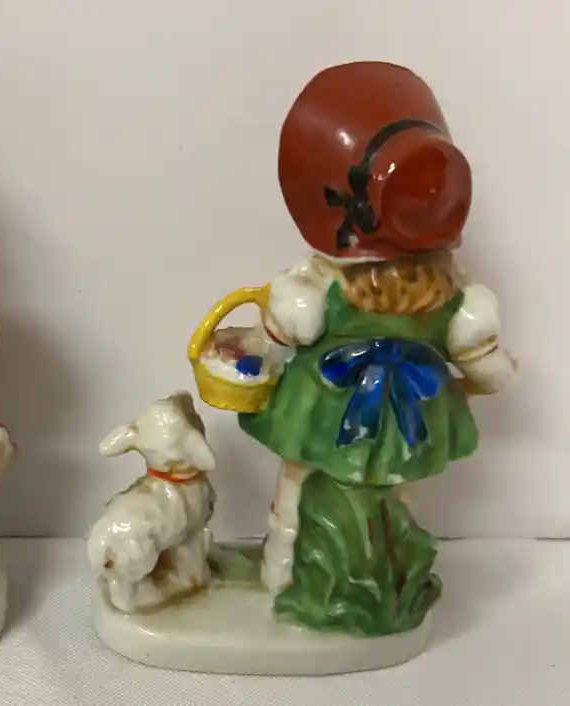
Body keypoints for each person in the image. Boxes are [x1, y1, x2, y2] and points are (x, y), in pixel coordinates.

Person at [242, 62, 516, 635]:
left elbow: (284, 332)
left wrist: (253, 353)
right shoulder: (459, 297)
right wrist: (481, 378)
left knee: (298, 484)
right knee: (396, 494)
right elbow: (487, 370)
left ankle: (287, 573)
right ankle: (375, 566)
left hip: (325, 402)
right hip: (412, 408)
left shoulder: (315, 288)